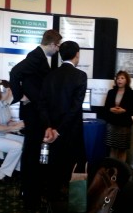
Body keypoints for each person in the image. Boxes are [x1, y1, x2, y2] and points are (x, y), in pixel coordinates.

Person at [9, 29, 62, 211]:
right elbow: (14, 72)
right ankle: (29, 193)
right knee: (31, 154)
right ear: (52, 44)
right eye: (58, 46)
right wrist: (20, 96)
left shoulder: (39, 56)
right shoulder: (36, 56)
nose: (58, 50)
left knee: (31, 153)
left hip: (34, 112)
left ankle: (29, 189)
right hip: (33, 113)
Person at [39, 40, 87, 204]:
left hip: (51, 132)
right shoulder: (80, 76)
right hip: (71, 132)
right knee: (74, 167)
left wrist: (49, 127)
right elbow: (75, 108)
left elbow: (42, 104)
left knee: (53, 167)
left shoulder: (50, 75)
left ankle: (52, 201)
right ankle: (74, 202)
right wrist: (59, 130)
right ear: (77, 55)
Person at [104, 70, 133, 162]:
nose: (119, 80)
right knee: (112, 148)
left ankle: (121, 171)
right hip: (112, 124)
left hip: (124, 125)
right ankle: (111, 171)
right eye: (118, 78)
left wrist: (124, 110)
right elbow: (106, 107)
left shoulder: (131, 93)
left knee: (122, 149)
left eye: (122, 78)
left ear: (127, 80)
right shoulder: (111, 92)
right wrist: (111, 109)